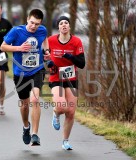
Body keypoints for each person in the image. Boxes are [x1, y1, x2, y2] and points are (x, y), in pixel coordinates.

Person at [0, 9, 50, 146]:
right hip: (20, 73)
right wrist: (19, 48)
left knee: (35, 99)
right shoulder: (16, 31)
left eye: (37, 24)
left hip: (37, 70)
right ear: (27, 19)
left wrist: (46, 51)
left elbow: (45, 39)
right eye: (32, 23)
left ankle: (35, 134)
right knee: (24, 105)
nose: (34, 26)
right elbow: (3, 47)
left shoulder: (42, 30)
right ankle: (26, 127)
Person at [48, 16, 85, 150]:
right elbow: (43, 56)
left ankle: (65, 141)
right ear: (58, 27)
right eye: (61, 23)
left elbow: (82, 64)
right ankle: (56, 114)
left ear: (69, 27)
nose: (64, 25)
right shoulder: (51, 40)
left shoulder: (76, 41)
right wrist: (48, 62)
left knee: (70, 112)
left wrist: (71, 57)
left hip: (71, 79)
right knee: (61, 107)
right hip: (56, 77)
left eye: (66, 23)